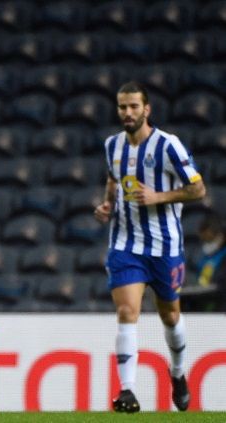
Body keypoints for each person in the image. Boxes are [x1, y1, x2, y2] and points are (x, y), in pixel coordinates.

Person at [94, 82, 206, 413]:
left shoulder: (168, 145)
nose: (126, 113)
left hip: (165, 245)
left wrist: (159, 197)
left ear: (147, 109)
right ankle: (127, 391)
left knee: (170, 315)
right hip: (125, 244)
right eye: (121, 107)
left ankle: (178, 374)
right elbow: (113, 179)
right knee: (127, 311)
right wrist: (107, 205)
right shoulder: (112, 146)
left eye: (132, 106)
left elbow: (197, 189)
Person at [180, 213, 226, 312]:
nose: (206, 245)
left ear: (220, 237)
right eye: (204, 241)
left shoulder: (223, 257)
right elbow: (194, 274)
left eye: (210, 240)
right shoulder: (200, 255)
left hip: (219, 303)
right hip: (200, 298)